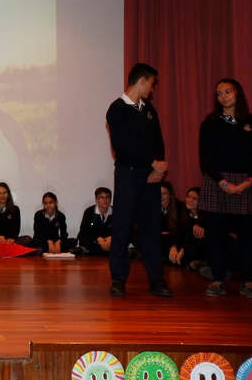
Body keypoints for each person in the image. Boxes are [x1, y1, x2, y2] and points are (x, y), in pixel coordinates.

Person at [105, 62, 171, 297]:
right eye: (152, 83)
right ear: (141, 81)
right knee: (122, 227)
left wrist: (158, 168)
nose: (152, 89)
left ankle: (156, 279)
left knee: (151, 228)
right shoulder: (117, 109)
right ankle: (118, 278)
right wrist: (151, 162)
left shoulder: (150, 110)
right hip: (128, 175)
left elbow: (159, 143)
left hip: (150, 178)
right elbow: (122, 146)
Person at [199, 78, 252, 298]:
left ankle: (248, 281)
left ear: (238, 93)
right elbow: (205, 159)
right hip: (218, 183)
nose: (223, 96)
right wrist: (223, 182)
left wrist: (248, 182)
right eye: (219, 93)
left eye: (227, 91)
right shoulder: (210, 123)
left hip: (246, 184)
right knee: (216, 234)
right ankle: (218, 279)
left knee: (248, 235)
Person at [170, 187, 207, 269]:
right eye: (188, 197)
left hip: (202, 249)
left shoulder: (206, 217)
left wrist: (184, 249)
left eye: (194, 198)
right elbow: (178, 234)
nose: (190, 200)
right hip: (188, 248)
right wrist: (174, 247)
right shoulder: (184, 215)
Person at [76, 187, 113, 256]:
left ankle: (91, 251)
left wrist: (111, 238)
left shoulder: (116, 212)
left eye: (107, 197)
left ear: (110, 200)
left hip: (109, 241)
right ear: (96, 200)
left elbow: (120, 230)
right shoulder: (89, 211)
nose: (105, 200)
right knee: (84, 239)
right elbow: (84, 231)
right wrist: (98, 239)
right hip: (95, 241)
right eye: (101, 197)